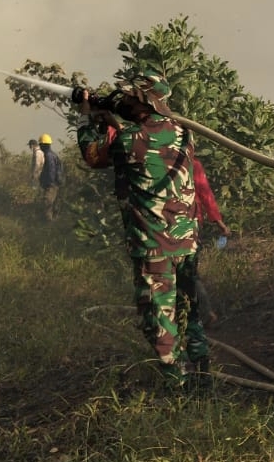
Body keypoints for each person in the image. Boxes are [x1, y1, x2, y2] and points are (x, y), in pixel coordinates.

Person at [76, 65, 208, 389]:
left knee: (158, 320)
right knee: (188, 311)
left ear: (144, 101)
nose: (123, 100)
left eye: (129, 97)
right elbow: (151, 141)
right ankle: (203, 379)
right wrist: (112, 117)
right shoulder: (183, 133)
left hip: (154, 246)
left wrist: (86, 116)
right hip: (185, 242)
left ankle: (177, 388)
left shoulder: (130, 140)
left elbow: (93, 155)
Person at [192, 156, 230, 325]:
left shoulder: (154, 158)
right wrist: (220, 224)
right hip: (190, 223)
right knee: (189, 272)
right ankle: (205, 314)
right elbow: (205, 195)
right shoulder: (192, 163)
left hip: (163, 225)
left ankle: (201, 314)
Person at [38, 134, 64, 220]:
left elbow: (51, 171)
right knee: (53, 204)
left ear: (44, 145)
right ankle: (53, 222)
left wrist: (48, 184)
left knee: (47, 203)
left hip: (51, 184)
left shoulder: (48, 155)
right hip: (54, 183)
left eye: (40, 144)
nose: (40, 146)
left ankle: (48, 223)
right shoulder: (51, 154)